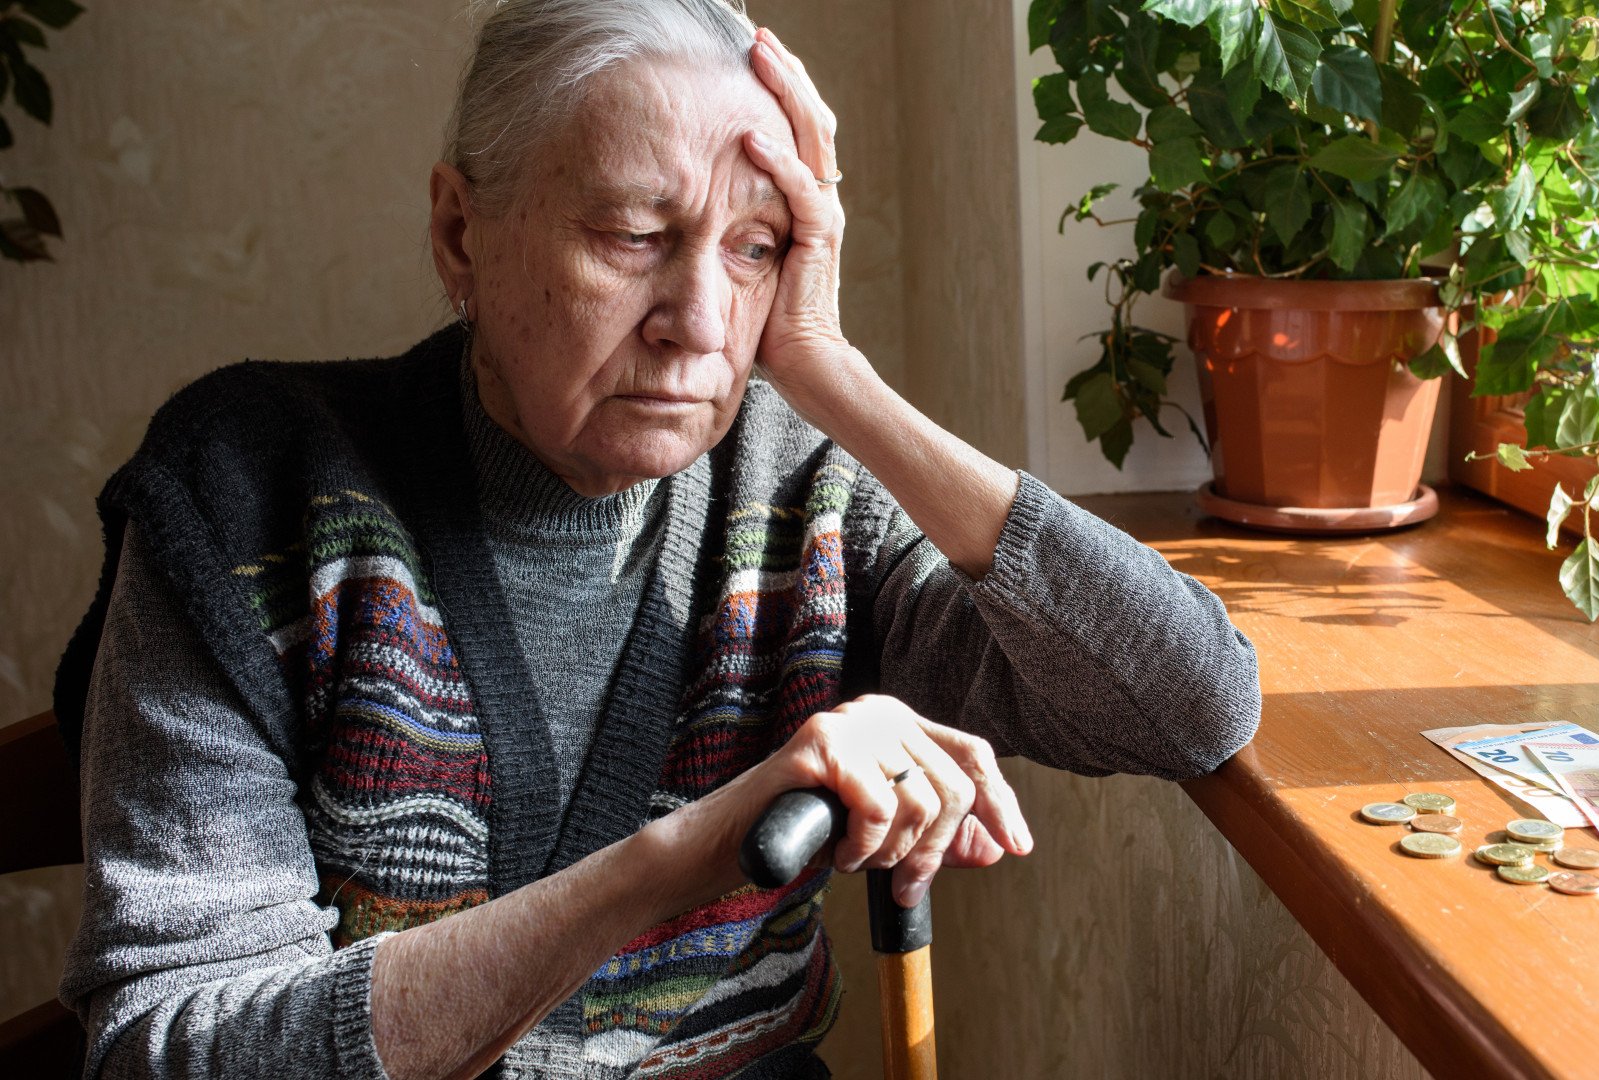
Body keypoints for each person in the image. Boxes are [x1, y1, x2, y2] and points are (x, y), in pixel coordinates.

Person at [53, 2, 1261, 1077]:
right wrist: (696, 848)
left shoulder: (802, 492)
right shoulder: (245, 496)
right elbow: (182, 1042)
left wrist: (834, 378)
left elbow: (1187, 701)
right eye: (632, 236)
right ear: (462, 233)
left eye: (755, 249)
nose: (700, 323)